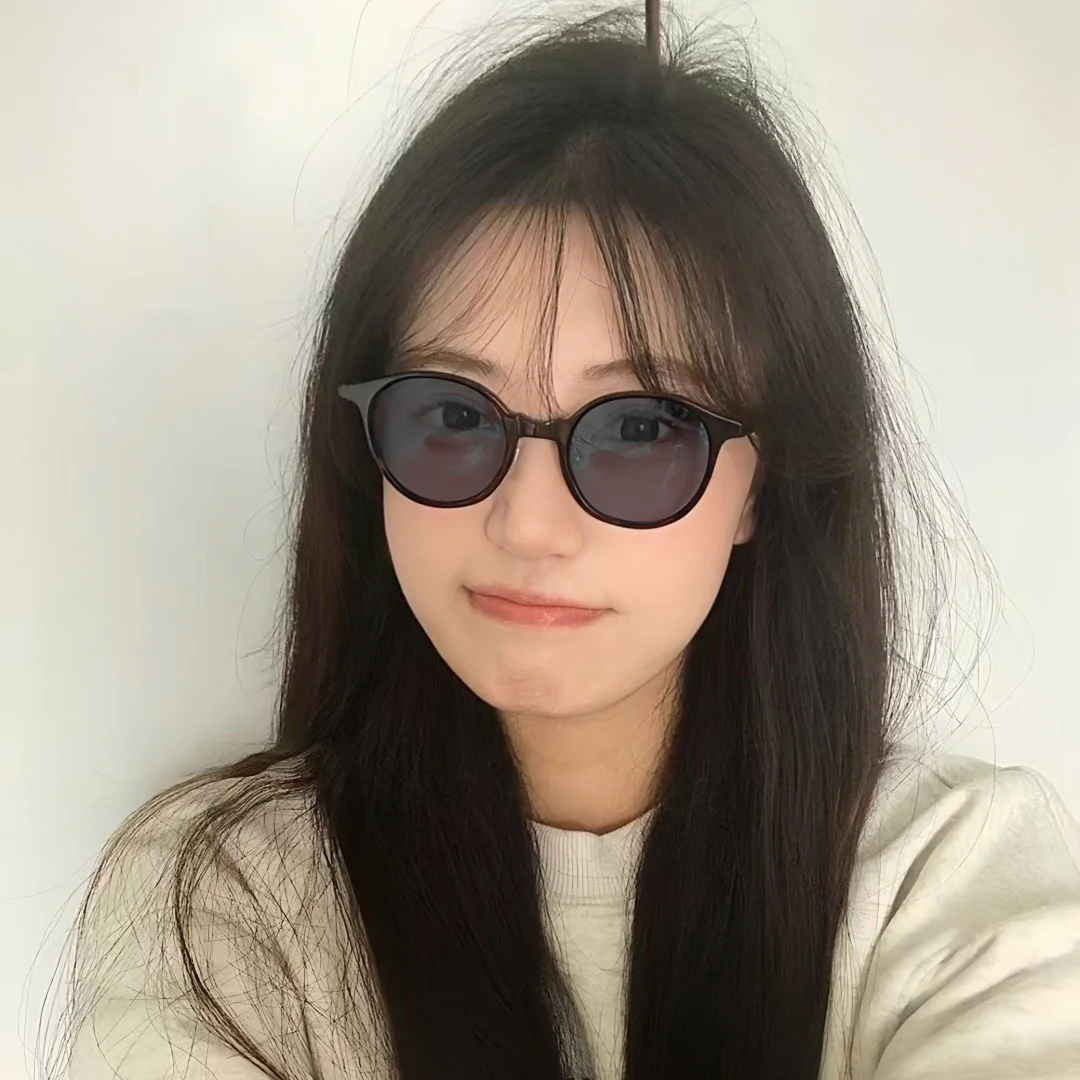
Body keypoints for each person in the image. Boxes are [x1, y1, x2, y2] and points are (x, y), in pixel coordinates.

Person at [47, 6, 1080, 1080]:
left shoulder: (951, 881)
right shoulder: (230, 904)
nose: (528, 525)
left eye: (640, 430)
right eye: (453, 413)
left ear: (760, 486)